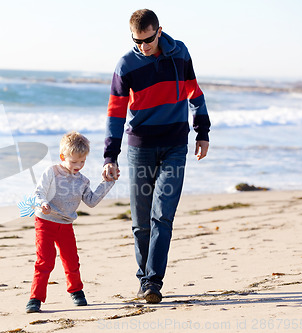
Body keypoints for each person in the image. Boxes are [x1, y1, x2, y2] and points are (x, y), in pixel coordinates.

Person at [102, 9, 211, 304]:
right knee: (141, 221)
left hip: (175, 145)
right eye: (137, 41)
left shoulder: (180, 53)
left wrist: (202, 131)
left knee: (162, 214)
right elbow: (115, 112)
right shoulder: (126, 65)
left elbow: (194, 91)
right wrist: (110, 155)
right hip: (140, 148)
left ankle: (152, 282)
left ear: (159, 31)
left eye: (148, 40)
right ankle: (144, 277)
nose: (143, 47)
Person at [26, 131, 116, 313]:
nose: (78, 166)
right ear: (62, 156)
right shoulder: (51, 172)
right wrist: (43, 203)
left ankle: (76, 291)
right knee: (45, 261)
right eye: (74, 161)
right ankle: (35, 298)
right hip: (45, 222)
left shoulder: (83, 180)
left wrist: (108, 182)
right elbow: (38, 193)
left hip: (66, 224)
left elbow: (91, 201)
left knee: (71, 260)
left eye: (82, 162)